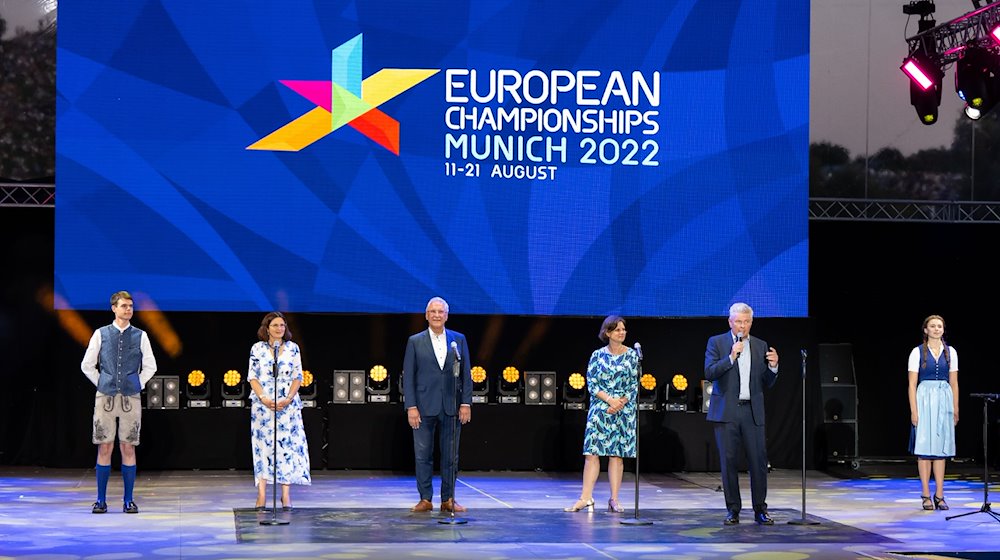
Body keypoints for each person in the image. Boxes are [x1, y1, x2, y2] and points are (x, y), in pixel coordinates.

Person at [80, 290, 157, 514]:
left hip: (130, 397)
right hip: (105, 397)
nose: (128, 309)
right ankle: (101, 500)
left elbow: (151, 365)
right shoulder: (101, 333)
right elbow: (87, 364)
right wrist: (101, 382)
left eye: (131, 306)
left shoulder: (140, 335)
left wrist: (138, 383)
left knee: (128, 446)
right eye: (124, 306)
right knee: (105, 445)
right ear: (114, 308)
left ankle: (128, 500)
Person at [704, 302, 779, 525]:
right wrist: (730, 358)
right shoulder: (717, 342)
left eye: (746, 322)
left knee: (758, 462)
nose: (742, 326)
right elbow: (709, 372)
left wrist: (774, 367)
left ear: (751, 323)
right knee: (728, 462)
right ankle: (733, 510)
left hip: (752, 411)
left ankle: (760, 510)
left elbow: (766, 382)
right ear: (730, 322)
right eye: (738, 322)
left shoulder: (760, 345)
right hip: (727, 412)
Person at [402, 297, 472, 513]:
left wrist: (466, 403)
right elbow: (409, 377)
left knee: (451, 456)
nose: (436, 315)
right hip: (423, 406)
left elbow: (466, 376)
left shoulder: (458, 340)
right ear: (426, 315)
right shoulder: (415, 341)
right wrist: (411, 406)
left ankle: (448, 499)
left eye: (440, 311)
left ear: (446, 315)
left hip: (451, 405)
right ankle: (425, 498)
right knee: (423, 454)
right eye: (432, 311)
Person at [564, 315, 639, 514]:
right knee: (592, 453)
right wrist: (610, 401)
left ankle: (614, 499)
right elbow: (593, 384)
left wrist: (620, 402)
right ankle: (585, 497)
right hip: (601, 409)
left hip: (623, 411)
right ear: (607, 333)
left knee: (616, 455)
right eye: (617, 330)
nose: (622, 333)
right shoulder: (597, 355)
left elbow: (634, 385)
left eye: (624, 329)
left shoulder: (632, 355)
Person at [247, 311, 311, 510]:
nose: (279, 329)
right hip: (263, 406)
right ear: (267, 328)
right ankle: (262, 494)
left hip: (287, 405)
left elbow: (298, 376)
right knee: (263, 448)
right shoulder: (257, 349)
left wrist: (289, 398)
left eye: (282, 325)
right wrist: (265, 398)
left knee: (286, 449)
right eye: (275, 325)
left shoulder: (293, 349)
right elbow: (252, 377)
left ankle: (285, 495)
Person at [907, 314, 959, 511]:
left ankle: (940, 494)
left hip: (944, 400)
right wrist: (914, 411)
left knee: (940, 451)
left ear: (943, 330)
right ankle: (925, 495)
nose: (937, 329)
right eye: (933, 326)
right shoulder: (917, 352)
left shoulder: (950, 352)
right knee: (924, 450)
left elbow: (954, 383)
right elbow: (912, 384)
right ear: (926, 330)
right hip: (924, 400)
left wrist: (955, 408)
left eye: (940, 326)